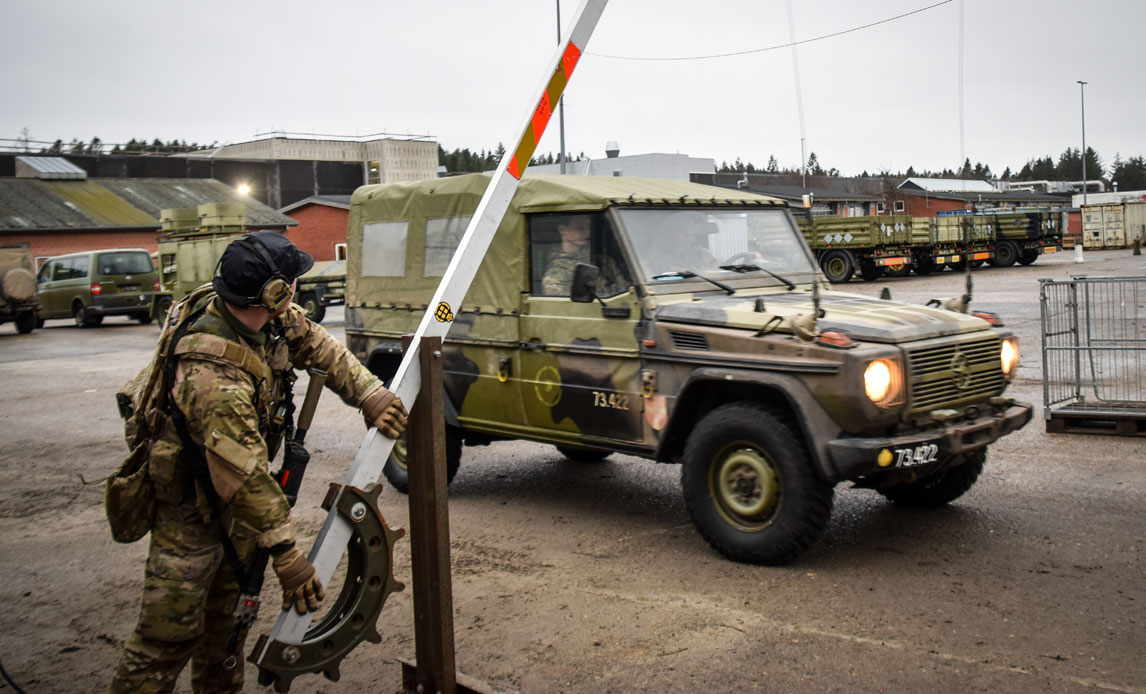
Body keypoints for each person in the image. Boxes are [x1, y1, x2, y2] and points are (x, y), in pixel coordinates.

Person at [109, 230, 408, 694]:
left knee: (226, 634)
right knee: (165, 641)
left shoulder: (265, 315)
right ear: (272, 291)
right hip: (189, 515)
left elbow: (317, 344)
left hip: (238, 513)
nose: (294, 293)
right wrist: (287, 555)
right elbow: (245, 473)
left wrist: (369, 393)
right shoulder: (212, 376)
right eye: (289, 284)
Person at [541, 215, 625, 296]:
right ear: (563, 230)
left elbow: (625, 289)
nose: (586, 231)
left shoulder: (604, 261)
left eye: (587, 225)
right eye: (579, 226)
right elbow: (562, 305)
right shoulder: (556, 269)